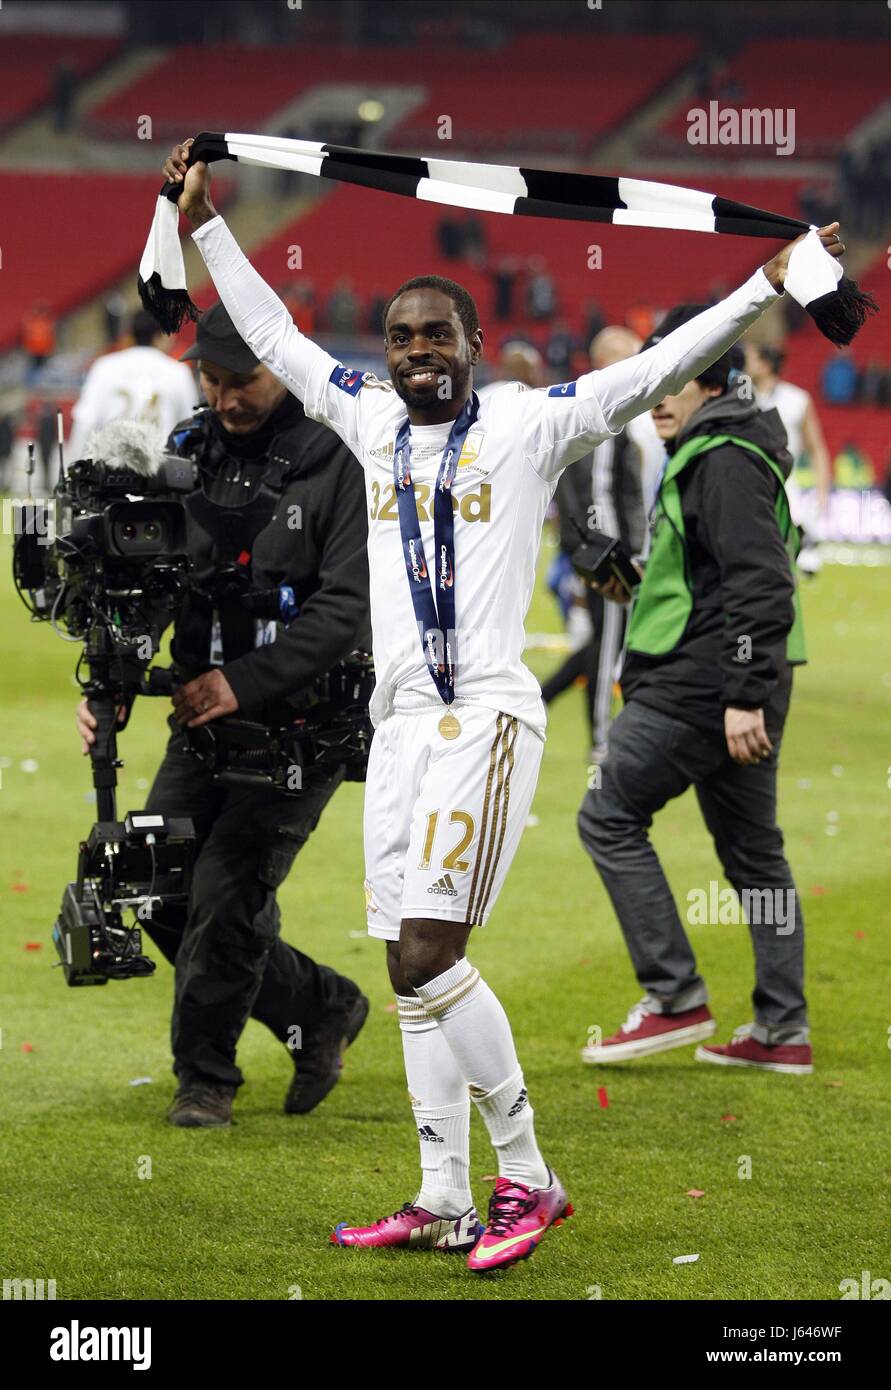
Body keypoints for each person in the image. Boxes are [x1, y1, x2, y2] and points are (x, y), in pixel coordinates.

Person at [164, 134, 843, 1270]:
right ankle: (440, 1192)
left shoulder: (530, 422)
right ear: (384, 351)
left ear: (475, 349)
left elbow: (652, 365)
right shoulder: (369, 418)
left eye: (440, 335)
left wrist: (760, 286)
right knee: (402, 964)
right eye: (403, 336)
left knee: (432, 950)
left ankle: (528, 1176)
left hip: (484, 716)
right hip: (394, 726)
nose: (421, 351)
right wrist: (204, 221)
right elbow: (274, 330)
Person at [76, 303, 371, 1128]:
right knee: (159, 887)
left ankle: (204, 1079)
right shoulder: (186, 453)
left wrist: (242, 681)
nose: (225, 395)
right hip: (201, 722)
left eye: (242, 378)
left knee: (226, 896)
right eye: (211, 377)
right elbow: (151, 582)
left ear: (283, 367)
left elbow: (344, 608)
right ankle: (322, 1005)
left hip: (303, 728)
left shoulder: (338, 459)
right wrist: (116, 681)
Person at [578, 305, 812, 1076]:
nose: (658, 399)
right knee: (755, 859)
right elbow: (718, 580)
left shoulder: (721, 456)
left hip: (705, 686)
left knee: (607, 815)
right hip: (736, 680)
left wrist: (742, 691)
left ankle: (674, 996)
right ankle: (782, 1032)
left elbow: (759, 580)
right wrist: (635, 589)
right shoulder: (734, 446)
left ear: (710, 378)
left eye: (672, 379)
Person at [541, 327, 646, 757]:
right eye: (630, 359)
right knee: (608, 645)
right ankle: (603, 740)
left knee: (604, 640)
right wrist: (616, 552)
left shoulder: (592, 412)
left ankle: (544, 695)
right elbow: (599, 494)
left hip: (596, 546)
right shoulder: (602, 417)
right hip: (609, 550)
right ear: (607, 362)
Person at [68, 309, 197, 460]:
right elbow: (189, 426)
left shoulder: (104, 367)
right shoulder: (178, 372)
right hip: (160, 471)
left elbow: (85, 423)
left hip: (111, 469)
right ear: (159, 335)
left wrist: (75, 466)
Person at [745, 342, 832, 516]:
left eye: (750, 360)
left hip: (786, 492)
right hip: (746, 487)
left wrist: (822, 494)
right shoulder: (740, 397)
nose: (743, 365)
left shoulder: (797, 399)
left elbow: (816, 449)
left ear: (765, 366)